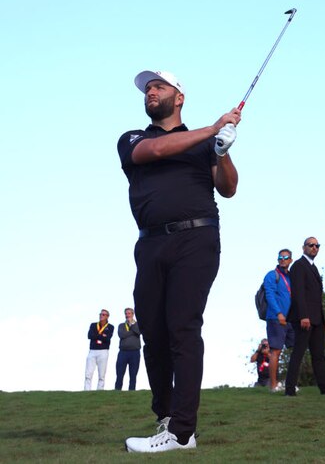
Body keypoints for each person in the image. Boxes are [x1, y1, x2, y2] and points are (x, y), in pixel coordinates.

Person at [120, 70, 240, 453]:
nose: (151, 91)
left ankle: (183, 432)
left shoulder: (203, 144)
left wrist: (222, 152)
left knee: (182, 329)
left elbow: (229, 187)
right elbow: (154, 152)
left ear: (179, 97)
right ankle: (168, 419)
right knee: (153, 333)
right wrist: (213, 128)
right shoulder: (133, 138)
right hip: (150, 244)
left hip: (197, 238)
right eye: (148, 88)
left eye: (159, 86)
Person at [285, 237, 325, 396]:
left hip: (317, 319)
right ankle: (290, 389)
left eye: (317, 246)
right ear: (303, 247)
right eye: (311, 245)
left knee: (318, 355)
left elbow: (316, 297)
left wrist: (322, 319)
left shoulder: (313, 267)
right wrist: (304, 316)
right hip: (304, 319)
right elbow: (298, 293)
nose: (314, 248)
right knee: (298, 353)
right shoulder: (299, 266)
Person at [263, 249, 294, 392]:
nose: (283, 259)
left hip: (291, 319)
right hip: (276, 319)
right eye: (280, 257)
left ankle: (290, 383)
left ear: (290, 260)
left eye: (286, 257)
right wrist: (279, 313)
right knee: (276, 351)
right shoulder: (272, 275)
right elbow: (269, 295)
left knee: (295, 350)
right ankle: (273, 386)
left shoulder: (291, 277)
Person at [85, 309, 114, 391]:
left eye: (104, 314)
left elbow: (107, 338)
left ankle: (100, 391)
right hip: (92, 350)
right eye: (101, 314)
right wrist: (101, 336)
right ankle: (86, 390)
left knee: (102, 374)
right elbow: (89, 336)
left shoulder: (110, 327)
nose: (101, 316)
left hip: (103, 351)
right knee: (88, 373)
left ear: (107, 316)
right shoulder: (93, 325)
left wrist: (96, 336)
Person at [115, 308, 141, 391]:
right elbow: (122, 335)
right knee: (120, 373)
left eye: (129, 313)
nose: (127, 315)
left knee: (133, 374)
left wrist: (131, 325)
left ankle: (132, 391)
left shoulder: (137, 324)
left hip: (135, 352)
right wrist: (132, 332)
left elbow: (138, 332)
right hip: (123, 352)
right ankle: (117, 390)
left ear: (132, 314)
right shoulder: (121, 325)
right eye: (126, 313)